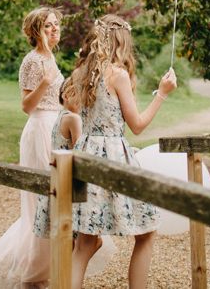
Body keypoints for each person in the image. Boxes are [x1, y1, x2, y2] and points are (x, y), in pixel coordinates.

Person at [71, 14, 177, 289]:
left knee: (84, 241)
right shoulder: (116, 75)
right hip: (112, 156)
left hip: (84, 153)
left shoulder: (82, 72)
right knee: (146, 233)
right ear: (121, 41)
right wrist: (162, 93)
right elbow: (138, 125)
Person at [0, 6, 64, 289]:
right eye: (48, 25)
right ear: (36, 30)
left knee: (57, 199)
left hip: (57, 128)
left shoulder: (51, 58)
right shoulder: (32, 61)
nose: (54, 29)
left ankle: (47, 268)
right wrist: (45, 83)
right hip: (39, 131)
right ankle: (32, 274)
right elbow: (26, 106)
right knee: (40, 202)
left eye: (56, 25)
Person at [32, 76, 82, 238]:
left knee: (69, 238)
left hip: (56, 175)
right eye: (79, 95)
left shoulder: (61, 116)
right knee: (80, 239)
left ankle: (67, 263)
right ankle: (71, 264)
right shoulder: (73, 118)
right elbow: (80, 151)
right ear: (66, 95)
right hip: (69, 178)